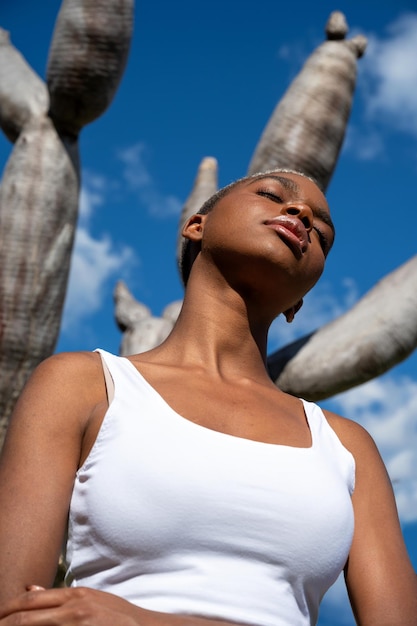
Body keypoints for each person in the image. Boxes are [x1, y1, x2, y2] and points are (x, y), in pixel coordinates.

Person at [0, 170, 415, 626]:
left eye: (322, 232)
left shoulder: (346, 446)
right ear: (196, 225)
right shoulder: (84, 385)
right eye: (272, 195)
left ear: (299, 301)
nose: (300, 214)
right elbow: (13, 610)